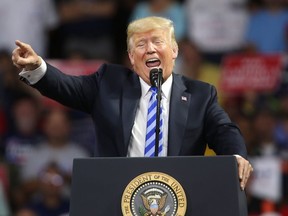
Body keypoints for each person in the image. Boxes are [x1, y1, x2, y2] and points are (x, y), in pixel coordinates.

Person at [11, 16, 253, 190]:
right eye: (140, 44)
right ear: (131, 58)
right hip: (117, 197)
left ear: (175, 50)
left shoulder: (200, 94)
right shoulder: (108, 83)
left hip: (181, 198)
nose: (149, 50)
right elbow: (65, 86)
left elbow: (223, 129)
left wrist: (236, 155)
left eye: (158, 42)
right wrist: (36, 66)